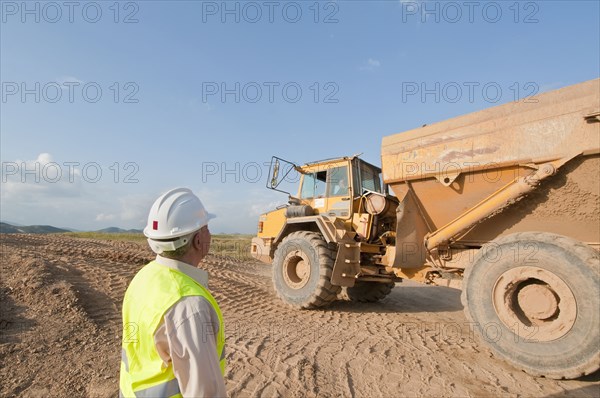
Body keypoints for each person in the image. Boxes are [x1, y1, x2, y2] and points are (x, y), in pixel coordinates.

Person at [120, 188, 226, 398]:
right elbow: (203, 393)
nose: (210, 234)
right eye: (206, 227)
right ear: (198, 240)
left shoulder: (143, 277)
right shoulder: (189, 307)